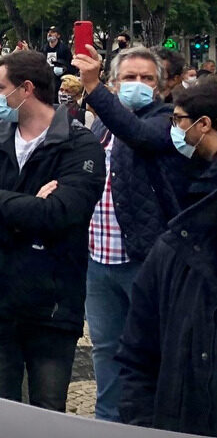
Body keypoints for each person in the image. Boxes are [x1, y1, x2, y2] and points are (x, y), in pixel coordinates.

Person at [0, 50, 105, 411]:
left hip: (51, 308)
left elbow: (62, 214)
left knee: (46, 414)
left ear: (27, 89)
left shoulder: (79, 144)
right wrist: (27, 213)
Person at [72, 43, 201, 422]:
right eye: (130, 77)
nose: (138, 84)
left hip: (143, 259)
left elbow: (139, 135)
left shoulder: (165, 121)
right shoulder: (100, 126)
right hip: (99, 258)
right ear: (115, 83)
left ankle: (154, 423)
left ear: (161, 87)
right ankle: (108, 421)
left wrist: (92, 88)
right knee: (106, 348)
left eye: (147, 78)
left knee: (153, 349)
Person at [115, 78, 217, 434]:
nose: (175, 129)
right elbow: (139, 355)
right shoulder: (186, 230)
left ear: (203, 124)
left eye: (179, 120)